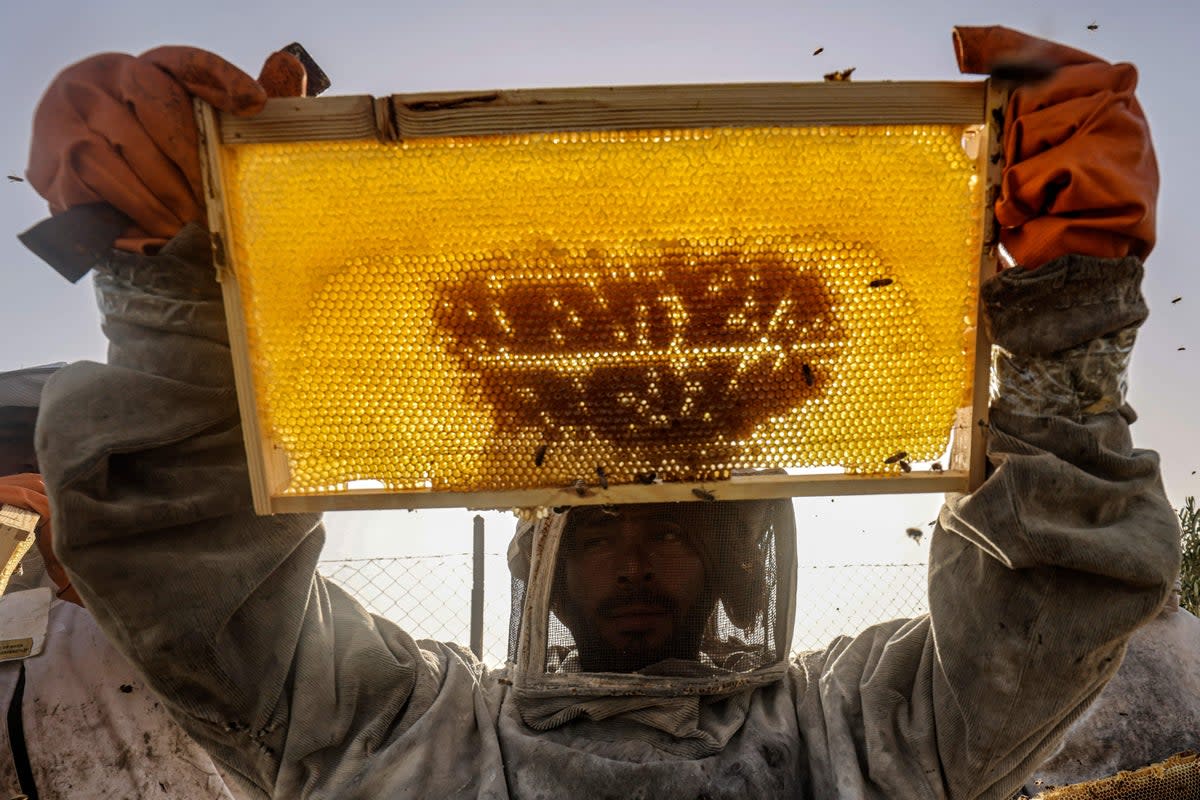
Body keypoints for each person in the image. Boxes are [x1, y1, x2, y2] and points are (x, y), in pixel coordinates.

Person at [22, 25, 1180, 800]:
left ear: (736, 556)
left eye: (673, 526)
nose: (635, 556)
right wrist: (176, 297)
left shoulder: (853, 731)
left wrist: (1062, 340)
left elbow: (1041, 618)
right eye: (606, 526)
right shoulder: (408, 732)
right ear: (548, 557)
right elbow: (193, 577)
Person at [0, 364, 247, 799]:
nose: (34, 459)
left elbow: (250, 673)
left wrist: (98, 573)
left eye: (64, 444)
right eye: (10, 438)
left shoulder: (195, 563)